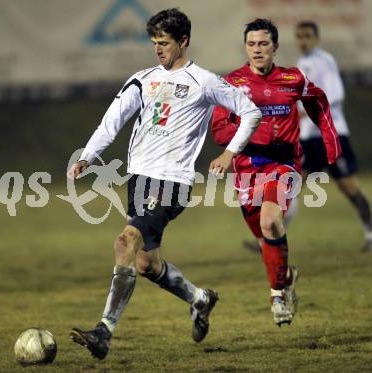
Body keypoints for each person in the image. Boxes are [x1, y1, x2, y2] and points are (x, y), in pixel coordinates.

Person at [67, 8, 262, 360]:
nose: (158, 49)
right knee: (145, 263)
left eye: (164, 43)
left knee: (125, 241)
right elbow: (112, 121)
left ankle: (104, 331)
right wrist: (88, 156)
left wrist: (229, 154)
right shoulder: (142, 79)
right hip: (139, 180)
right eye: (154, 42)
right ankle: (200, 299)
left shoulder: (204, 81)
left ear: (183, 41)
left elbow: (250, 111)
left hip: (172, 182)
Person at [211, 19, 341, 326]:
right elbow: (219, 128)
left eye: (263, 44)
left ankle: (277, 297)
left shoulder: (292, 78)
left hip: (284, 164)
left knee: (271, 221)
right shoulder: (231, 84)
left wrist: (330, 140)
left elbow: (318, 103)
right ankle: (286, 277)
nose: (257, 50)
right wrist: (256, 136)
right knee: (264, 238)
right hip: (247, 169)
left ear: (275, 47)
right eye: (252, 44)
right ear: (246, 47)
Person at [293, 20, 372, 252]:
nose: (303, 40)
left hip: (331, 134)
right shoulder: (301, 63)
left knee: (348, 186)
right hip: (309, 137)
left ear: (317, 38)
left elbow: (335, 95)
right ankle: (269, 239)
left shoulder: (324, 61)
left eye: (307, 36)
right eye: (299, 36)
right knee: (292, 184)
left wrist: (307, 110)